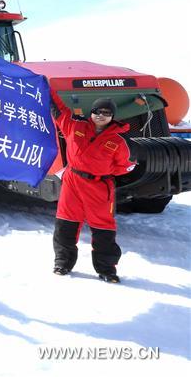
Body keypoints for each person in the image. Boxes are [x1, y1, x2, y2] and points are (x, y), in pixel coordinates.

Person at [50, 93, 135, 283]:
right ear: (92, 113)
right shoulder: (75, 126)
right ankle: (62, 262)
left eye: (106, 113)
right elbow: (58, 109)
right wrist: (45, 85)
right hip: (72, 182)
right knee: (65, 223)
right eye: (97, 111)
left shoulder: (119, 141)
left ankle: (106, 269)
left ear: (112, 116)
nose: (101, 116)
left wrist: (103, 171)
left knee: (103, 228)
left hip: (99, 187)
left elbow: (125, 166)